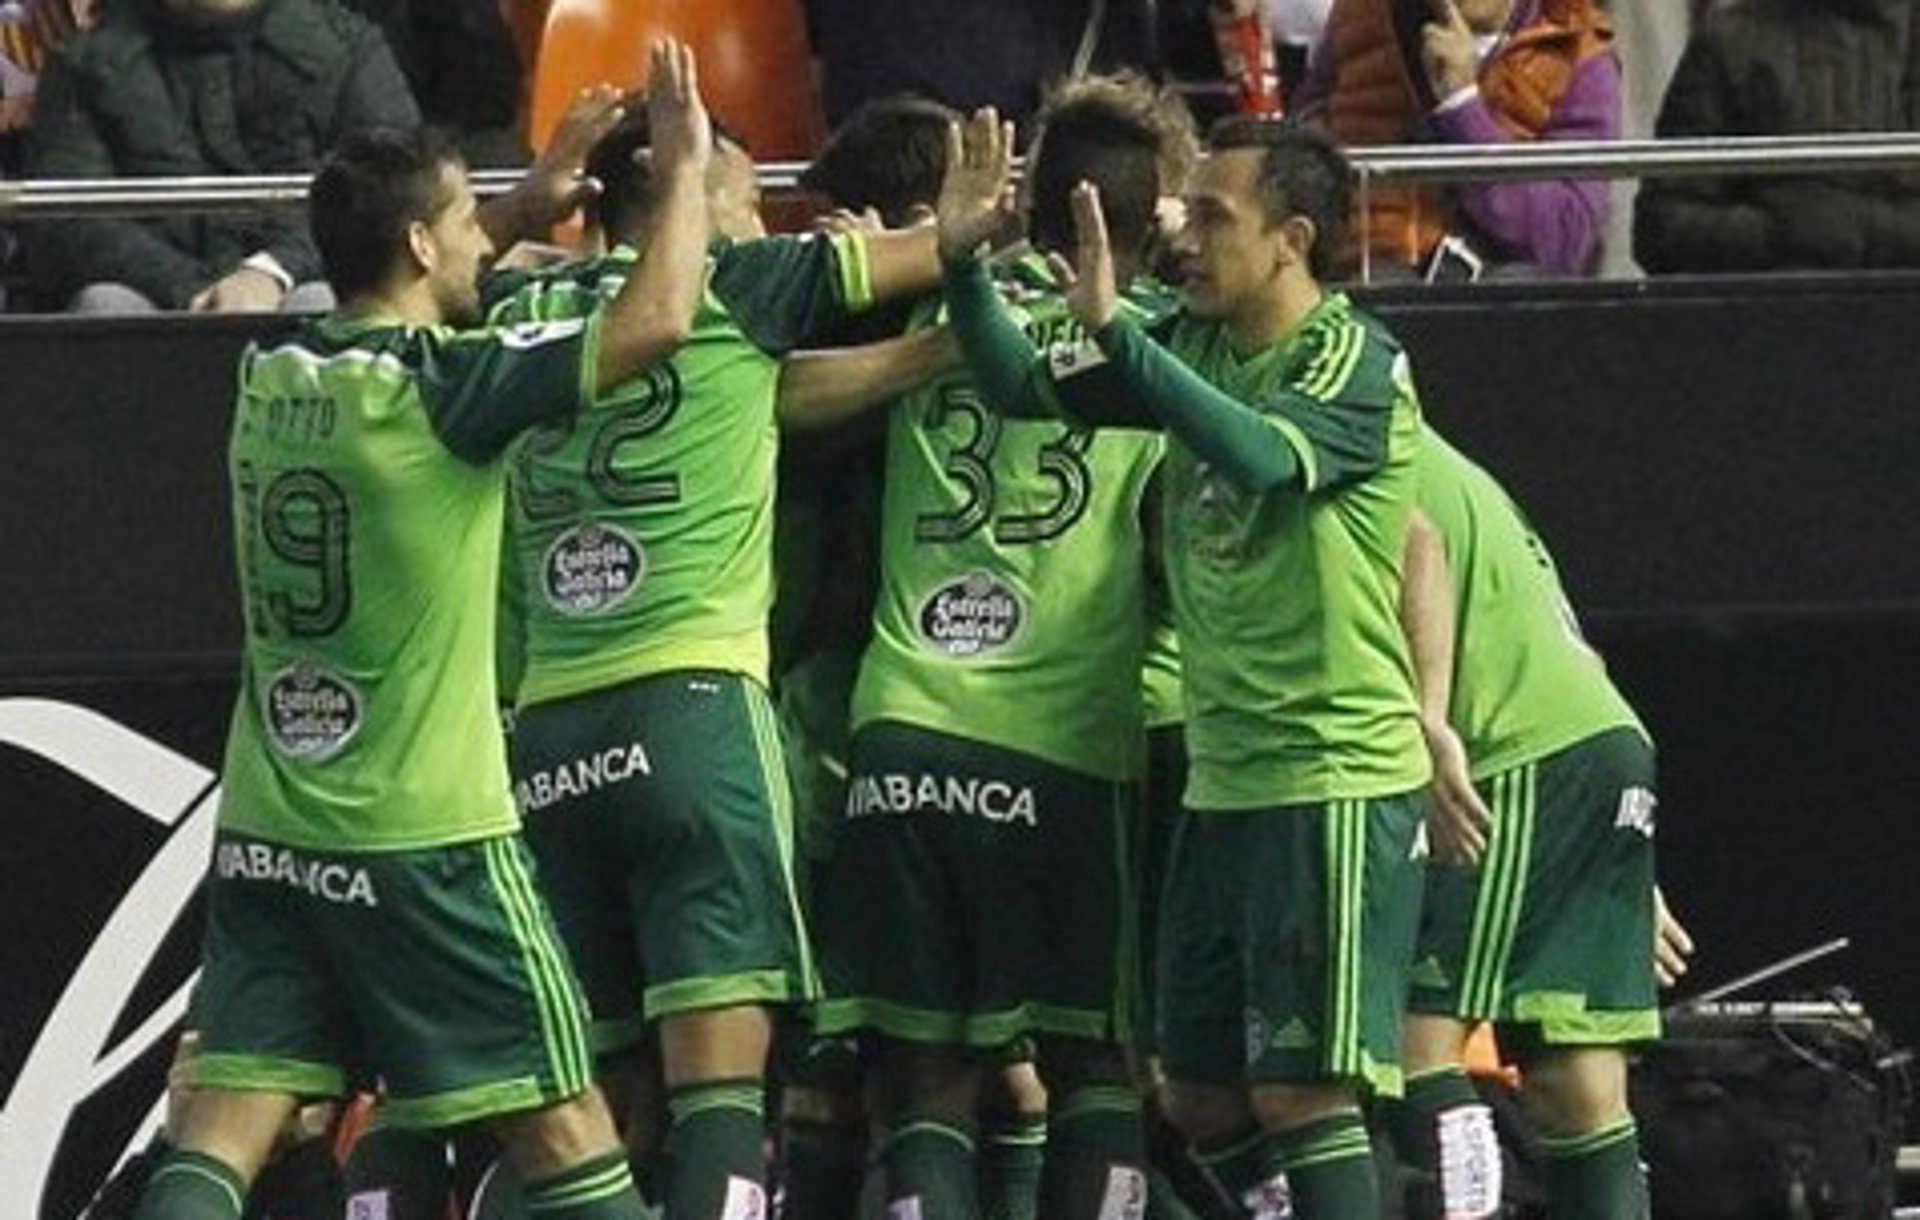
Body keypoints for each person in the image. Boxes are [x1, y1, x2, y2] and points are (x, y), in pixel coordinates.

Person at [130, 40, 714, 1220]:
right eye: (462, 223)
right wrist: (690, 168)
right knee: (566, 1122)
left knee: (223, 1124)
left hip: (274, 827)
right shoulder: (445, 392)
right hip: (429, 833)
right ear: (418, 244)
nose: (480, 242)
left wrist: (520, 202)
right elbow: (658, 318)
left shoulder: (269, 372)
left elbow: (404, 280)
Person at [942, 117, 1433, 1218]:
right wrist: (962, 264)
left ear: (1292, 241)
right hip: (1224, 781)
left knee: (1302, 1091)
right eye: (1185, 211)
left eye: (1214, 216)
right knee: (1201, 1095)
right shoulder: (1187, 340)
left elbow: (1259, 457)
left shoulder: (1354, 357)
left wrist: (1124, 341)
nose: (1185, 236)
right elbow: (1017, 383)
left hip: (1330, 775)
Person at [482, 96, 954, 1217]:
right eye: (741, 200)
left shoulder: (517, 310)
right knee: (720, 1097)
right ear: (687, 194)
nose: (758, 224)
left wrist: (531, 199)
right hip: (694, 719)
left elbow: (406, 276)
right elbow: (959, 240)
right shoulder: (742, 285)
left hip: (548, 741)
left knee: (590, 1108)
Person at [813, 84, 1189, 1220]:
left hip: (904, 730)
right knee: (1092, 1065)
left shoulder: (930, 314)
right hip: (1063, 746)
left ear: (1029, 198)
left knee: (924, 1077)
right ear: (1156, 214)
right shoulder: (1169, 344)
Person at [1387, 429, 1693, 1219]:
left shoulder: (1339, 436)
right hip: (1596, 749)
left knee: (1407, 1047)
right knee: (1576, 1082)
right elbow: (1579, 660)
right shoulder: (1455, 469)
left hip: (1514, 756)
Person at [23, 0, 418, 313]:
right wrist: (189, 288)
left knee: (323, 307)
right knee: (105, 306)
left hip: (301, 286)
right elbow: (64, 222)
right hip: (154, 301)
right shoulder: (84, 64)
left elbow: (389, 196)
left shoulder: (346, 49)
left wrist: (272, 272)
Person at [1296, 0, 1619, 278]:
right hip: (1360, 281)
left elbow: (1565, 242)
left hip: (1494, 298)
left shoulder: (1576, 47)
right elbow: (1302, 151)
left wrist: (1462, 104)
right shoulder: (1360, 15)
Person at [1632, 0, 1920, 273]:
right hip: (1773, 301)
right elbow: (1661, 228)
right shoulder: (1731, 42)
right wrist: (1783, 232)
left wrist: (1849, 228)